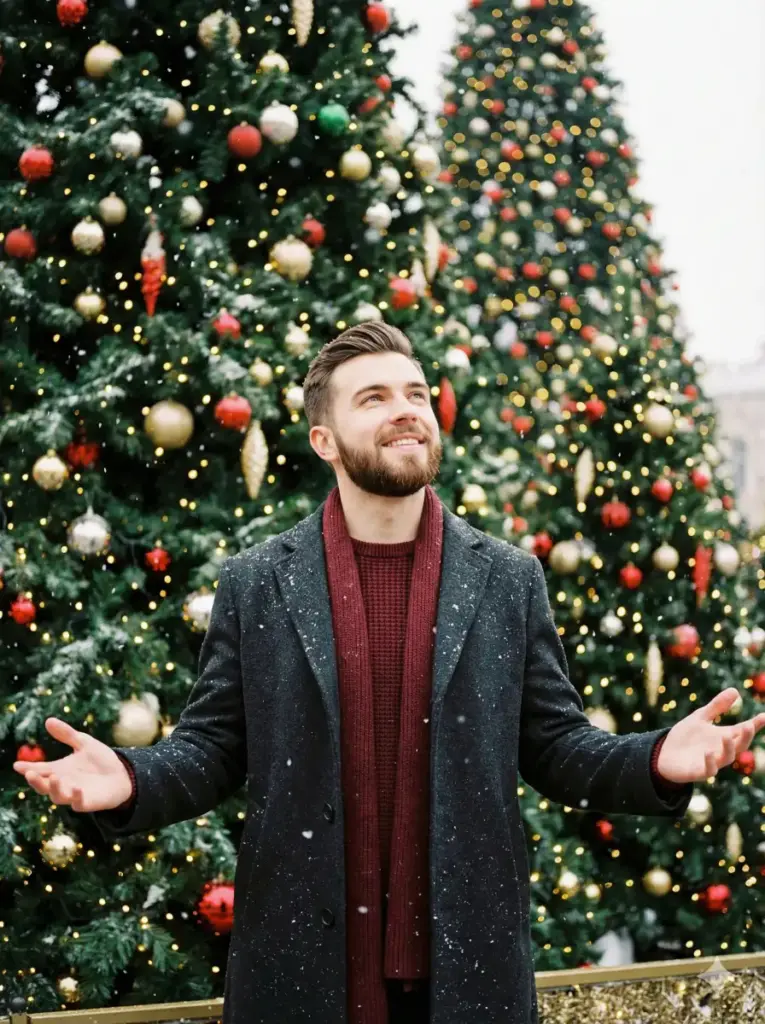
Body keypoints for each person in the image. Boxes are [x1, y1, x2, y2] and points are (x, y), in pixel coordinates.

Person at [14, 323, 765, 1024]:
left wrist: (655, 760)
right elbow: (212, 749)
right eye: (373, 399)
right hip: (300, 978)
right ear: (324, 440)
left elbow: (557, 747)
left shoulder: (506, 579)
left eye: (414, 393)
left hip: (467, 979)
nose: (405, 412)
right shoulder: (257, 582)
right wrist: (133, 780)